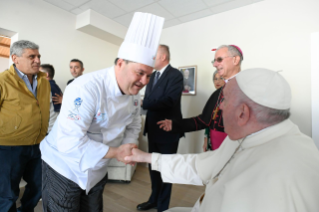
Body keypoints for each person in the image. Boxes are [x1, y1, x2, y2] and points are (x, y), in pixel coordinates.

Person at [125, 68, 319, 212]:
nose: (220, 108)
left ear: (243, 113)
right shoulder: (247, 135)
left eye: (224, 100)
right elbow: (202, 165)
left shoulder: (285, 176)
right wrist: (146, 158)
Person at [40, 12, 165, 211]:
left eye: (149, 76)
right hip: (64, 167)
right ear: (121, 63)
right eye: (140, 73)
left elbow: (133, 123)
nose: (144, 82)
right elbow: (70, 142)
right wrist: (117, 152)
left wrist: (129, 146)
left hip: (98, 168)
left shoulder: (133, 93)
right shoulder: (86, 88)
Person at [158, 45, 243, 151]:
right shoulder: (218, 93)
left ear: (235, 60)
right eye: (214, 61)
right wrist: (175, 125)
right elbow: (203, 120)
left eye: (219, 60)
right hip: (216, 151)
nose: (215, 64)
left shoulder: (248, 89)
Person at [0, 40, 50, 212]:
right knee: (7, 194)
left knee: (39, 185)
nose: (37, 60)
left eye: (38, 56)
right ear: (15, 58)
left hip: (39, 144)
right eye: (32, 56)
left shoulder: (44, 81)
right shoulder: (3, 81)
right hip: (9, 148)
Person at [137, 45, 184, 212]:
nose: (151, 59)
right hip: (153, 130)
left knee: (166, 170)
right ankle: (153, 199)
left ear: (163, 57)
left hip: (168, 132)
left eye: (153, 56)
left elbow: (169, 100)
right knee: (153, 168)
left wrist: (143, 103)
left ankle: (162, 207)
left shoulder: (175, 75)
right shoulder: (153, 76)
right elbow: (149, 99)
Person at [203, 70, 225, 151]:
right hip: (212, 136)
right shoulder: (213, 97)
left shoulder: (229, 96)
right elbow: (207, 120)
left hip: (225, 136)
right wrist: (205, 139)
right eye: (215, 79)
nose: (218, 81)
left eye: (221, 78)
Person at [40, 64, 63, 133]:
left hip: (48, 128)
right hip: (54, 127)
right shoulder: (55, 86)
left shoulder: (46, 87)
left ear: (46, 74)